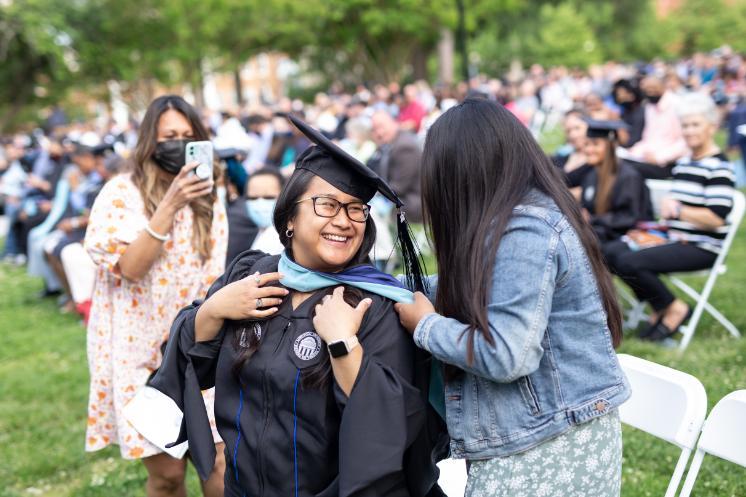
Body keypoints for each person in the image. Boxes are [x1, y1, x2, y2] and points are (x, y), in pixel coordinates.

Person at [149, 115, 446, 497]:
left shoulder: (376, 305)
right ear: (290, 217)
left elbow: (393, 424)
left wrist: (343, 344)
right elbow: (194, 367)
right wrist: (211, 311)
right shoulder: (250, 275)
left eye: (356, 209)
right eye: (327, 205)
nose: (344, 221)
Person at [395, 98, 630, 496]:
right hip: (534, 435)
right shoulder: (515, 220)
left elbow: (508, 354)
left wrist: (426, 326)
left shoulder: (525, 232)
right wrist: (394, 286)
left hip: (552, 446)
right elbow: (483, 289)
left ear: (462, 172)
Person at [83, 95, 227, 497]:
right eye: (169, 136)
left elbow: (213, 273)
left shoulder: (209, 197)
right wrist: (170, 203)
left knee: (217, 463)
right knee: (168, 477)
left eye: (187, 136)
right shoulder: (120, 194)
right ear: (150, 140)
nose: (178, 144)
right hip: (139, 355)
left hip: (196, 344)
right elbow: (131, 267)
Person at [604, 93, 736, 341]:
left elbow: (717, 218)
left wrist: (678, 210)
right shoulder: (684, 162)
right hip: (672, 236)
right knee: (609, 252)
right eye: (685, 125)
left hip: (701, 246)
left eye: (695, 124)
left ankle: (674, 308)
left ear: (712, 127)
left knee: (631, 262)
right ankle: (661, 306)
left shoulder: (719, 167)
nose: (688, 131)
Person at [579, 119, 653, 244]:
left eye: (595, 144)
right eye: (586, 144)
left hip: (625, 237)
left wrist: (593, 219)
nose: (589, 149)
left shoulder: (629, 177)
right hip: (601, 233)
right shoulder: (591, 175)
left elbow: (628, 218)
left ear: (610, 147)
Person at [625, 75, 688, 176]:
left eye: (653, 88)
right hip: (646, 157)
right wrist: (633, 151)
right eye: (647, 89)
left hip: (668, 162)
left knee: (629, 171)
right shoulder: (650, 106)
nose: (650, 92)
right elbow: (648, 137)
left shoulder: (677, 105)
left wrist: (659, 157)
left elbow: (684, 142)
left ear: (663, 86)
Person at [225, 167, 285, 263]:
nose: (260, 203)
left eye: (268, 197)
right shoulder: (256, 234)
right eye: (252, 198)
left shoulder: (283, 240)